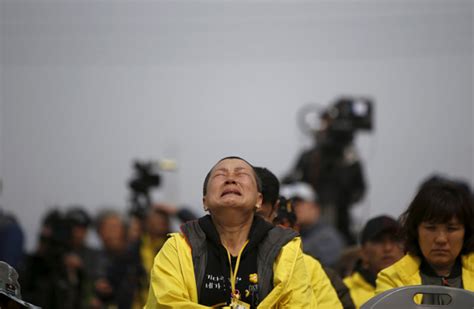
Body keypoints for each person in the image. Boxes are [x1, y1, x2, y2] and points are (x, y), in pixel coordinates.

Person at [145, 156, 313, 308]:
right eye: (220, 175)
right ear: (205, 202)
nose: (231, 179)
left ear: (258, 200)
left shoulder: (285, 249)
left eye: (241, 174)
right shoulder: (177, 248)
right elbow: (163, 304)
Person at [254, 166, 353, 309]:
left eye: (299, 201)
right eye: (276, 223)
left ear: (315, 206)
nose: (279, 229)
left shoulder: (326, 240)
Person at [375, 180, 474, 304]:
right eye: (431, 228)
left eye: (451, 229)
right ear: (416, 230)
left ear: (467, 231)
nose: (441, 239)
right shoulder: (392, 279)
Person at [343, 215, 404, 308]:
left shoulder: (418, 284)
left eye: (395, 240)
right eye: (378, 241)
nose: (388, 248)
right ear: (363, 252)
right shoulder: (344, 291)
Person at [280, 182, 345, 268]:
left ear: (315, 207)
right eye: (289, 204)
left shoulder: (328, 237)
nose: (294, 207)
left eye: (299, 202)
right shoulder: (286, 233)